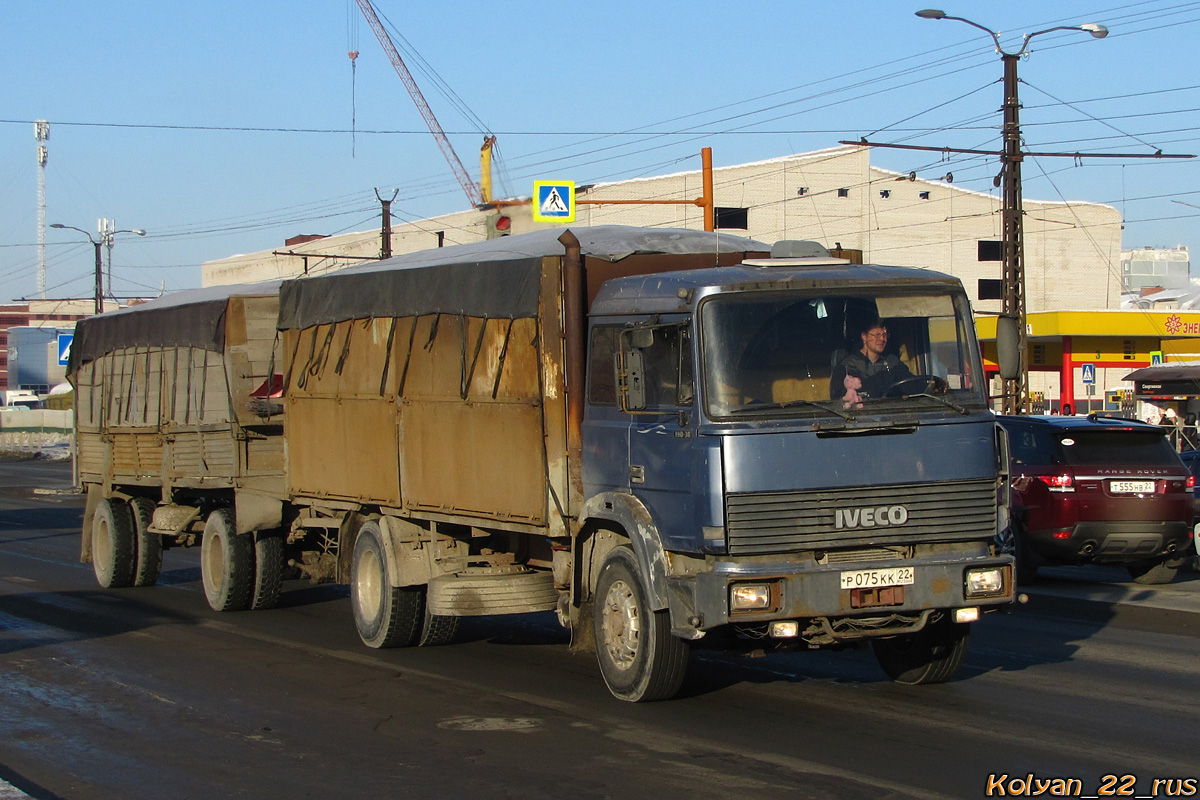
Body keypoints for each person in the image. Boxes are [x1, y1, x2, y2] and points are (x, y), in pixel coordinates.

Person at [830, 319, 915, 407]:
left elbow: (911, 385)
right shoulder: (847, 366)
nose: (882, 339)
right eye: (877, 335)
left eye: (885, 335)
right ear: (864, 336)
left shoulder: (893, 363)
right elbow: (838, 403)